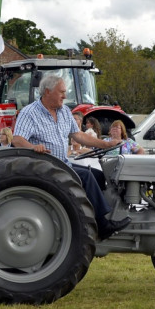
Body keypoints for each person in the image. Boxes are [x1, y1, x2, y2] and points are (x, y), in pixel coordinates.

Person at [12, 75, 130, 240]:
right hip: (44, 167)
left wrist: (106, 144)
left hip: (62, 164)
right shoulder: (30, 112)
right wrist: (33, 147)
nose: (65, 96)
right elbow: (17, 139)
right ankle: (102, 226)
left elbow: (79, 135)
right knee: (87, 177)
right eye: (61, 92)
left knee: (99, 175)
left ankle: (97, 215)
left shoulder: (64, 112)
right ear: (47, 92)